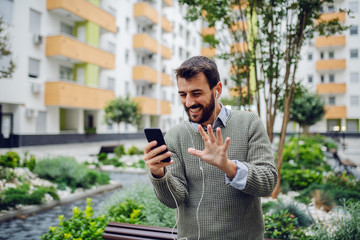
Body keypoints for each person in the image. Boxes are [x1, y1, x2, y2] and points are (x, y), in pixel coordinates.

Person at [144, 56, 277, 239]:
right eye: (183, 95)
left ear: (217, 90)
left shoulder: (249, 123)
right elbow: (174, 200)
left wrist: (228, 167)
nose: (189, 103)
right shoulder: (174, 136)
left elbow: (268, 182)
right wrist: (159, 174)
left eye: (196, 93)